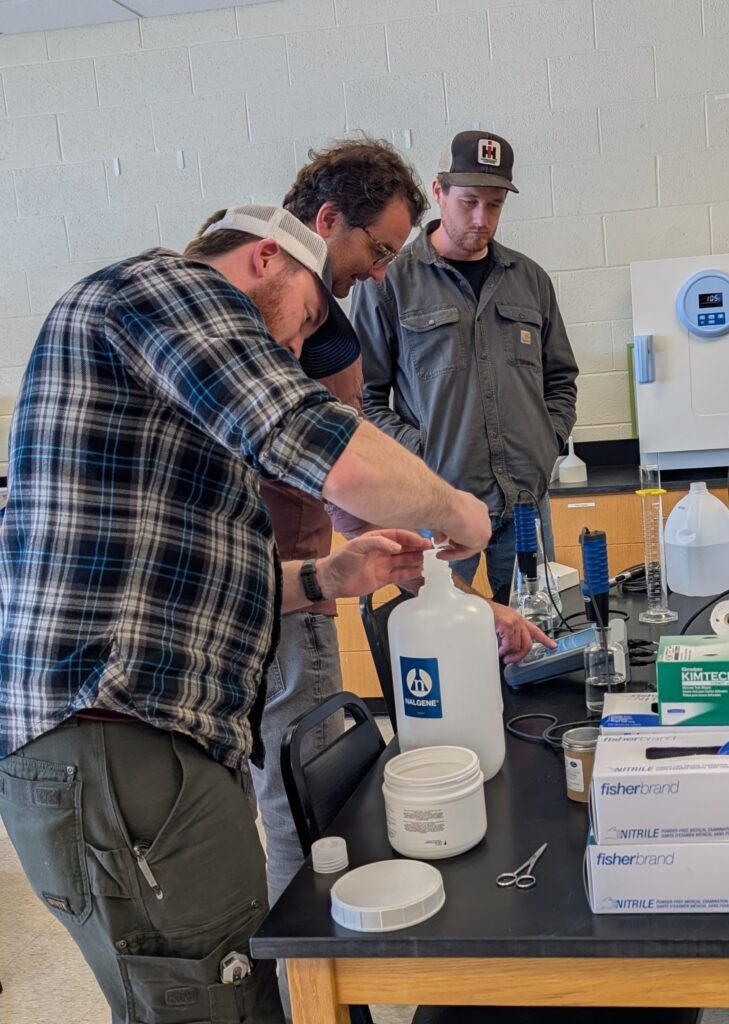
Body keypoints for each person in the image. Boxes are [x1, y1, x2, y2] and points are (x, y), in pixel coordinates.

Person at [0, 204, 490, 1024]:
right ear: (267, 258)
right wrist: (454, 510)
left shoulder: (165, 377)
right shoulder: (166, 287)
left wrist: (328, 576)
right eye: (303, 324)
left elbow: (192, 576)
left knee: (234, 990)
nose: (293, 354)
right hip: (117, 734)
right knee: (215, 1005)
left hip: (138, 739)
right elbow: (312, 434)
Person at [253, 141, 553, 943]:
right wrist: (445, 502)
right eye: (376, 251)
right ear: (323, 223)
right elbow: (339, 448)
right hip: (269, 590)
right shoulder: (266, 315)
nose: (382, 272)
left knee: (308, 776)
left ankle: (326, 951)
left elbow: (329, 483)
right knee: (296, 792)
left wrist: (452, 590)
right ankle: (311, 961)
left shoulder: (322, 316)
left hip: (309, 573)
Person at [351, 129, 579, 605]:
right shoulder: (388, 281)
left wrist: (547, 440)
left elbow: (560, 378)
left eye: (494, 205)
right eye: (469, 201)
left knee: (531, 646)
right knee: (444, 644)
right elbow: (364, 399)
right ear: (439, 193)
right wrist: (422, 454)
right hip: (437, 506)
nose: (482, 218)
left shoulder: (530, 280)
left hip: (523, 504)